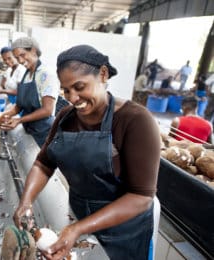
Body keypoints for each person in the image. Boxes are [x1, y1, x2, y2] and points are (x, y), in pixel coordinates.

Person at [13, 45, 160, 259]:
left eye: (79, 86)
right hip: (81, 217)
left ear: (102, 74)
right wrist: (26, 202)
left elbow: (141, 197)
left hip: (126, 229)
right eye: (66, 90)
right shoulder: (65, 117)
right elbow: (43, 164)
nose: (72, 98)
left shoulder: (135, 120)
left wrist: (78, 229)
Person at [0, 37, 59, 147]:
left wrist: (19, 120)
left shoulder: (46, 74)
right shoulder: (26, 75)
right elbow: (20, 106)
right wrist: (6, 115)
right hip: (29, 129)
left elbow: (47, 110)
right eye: (17, 57)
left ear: (34, 51)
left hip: (44, 133)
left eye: (22, 55)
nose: (20, 61)